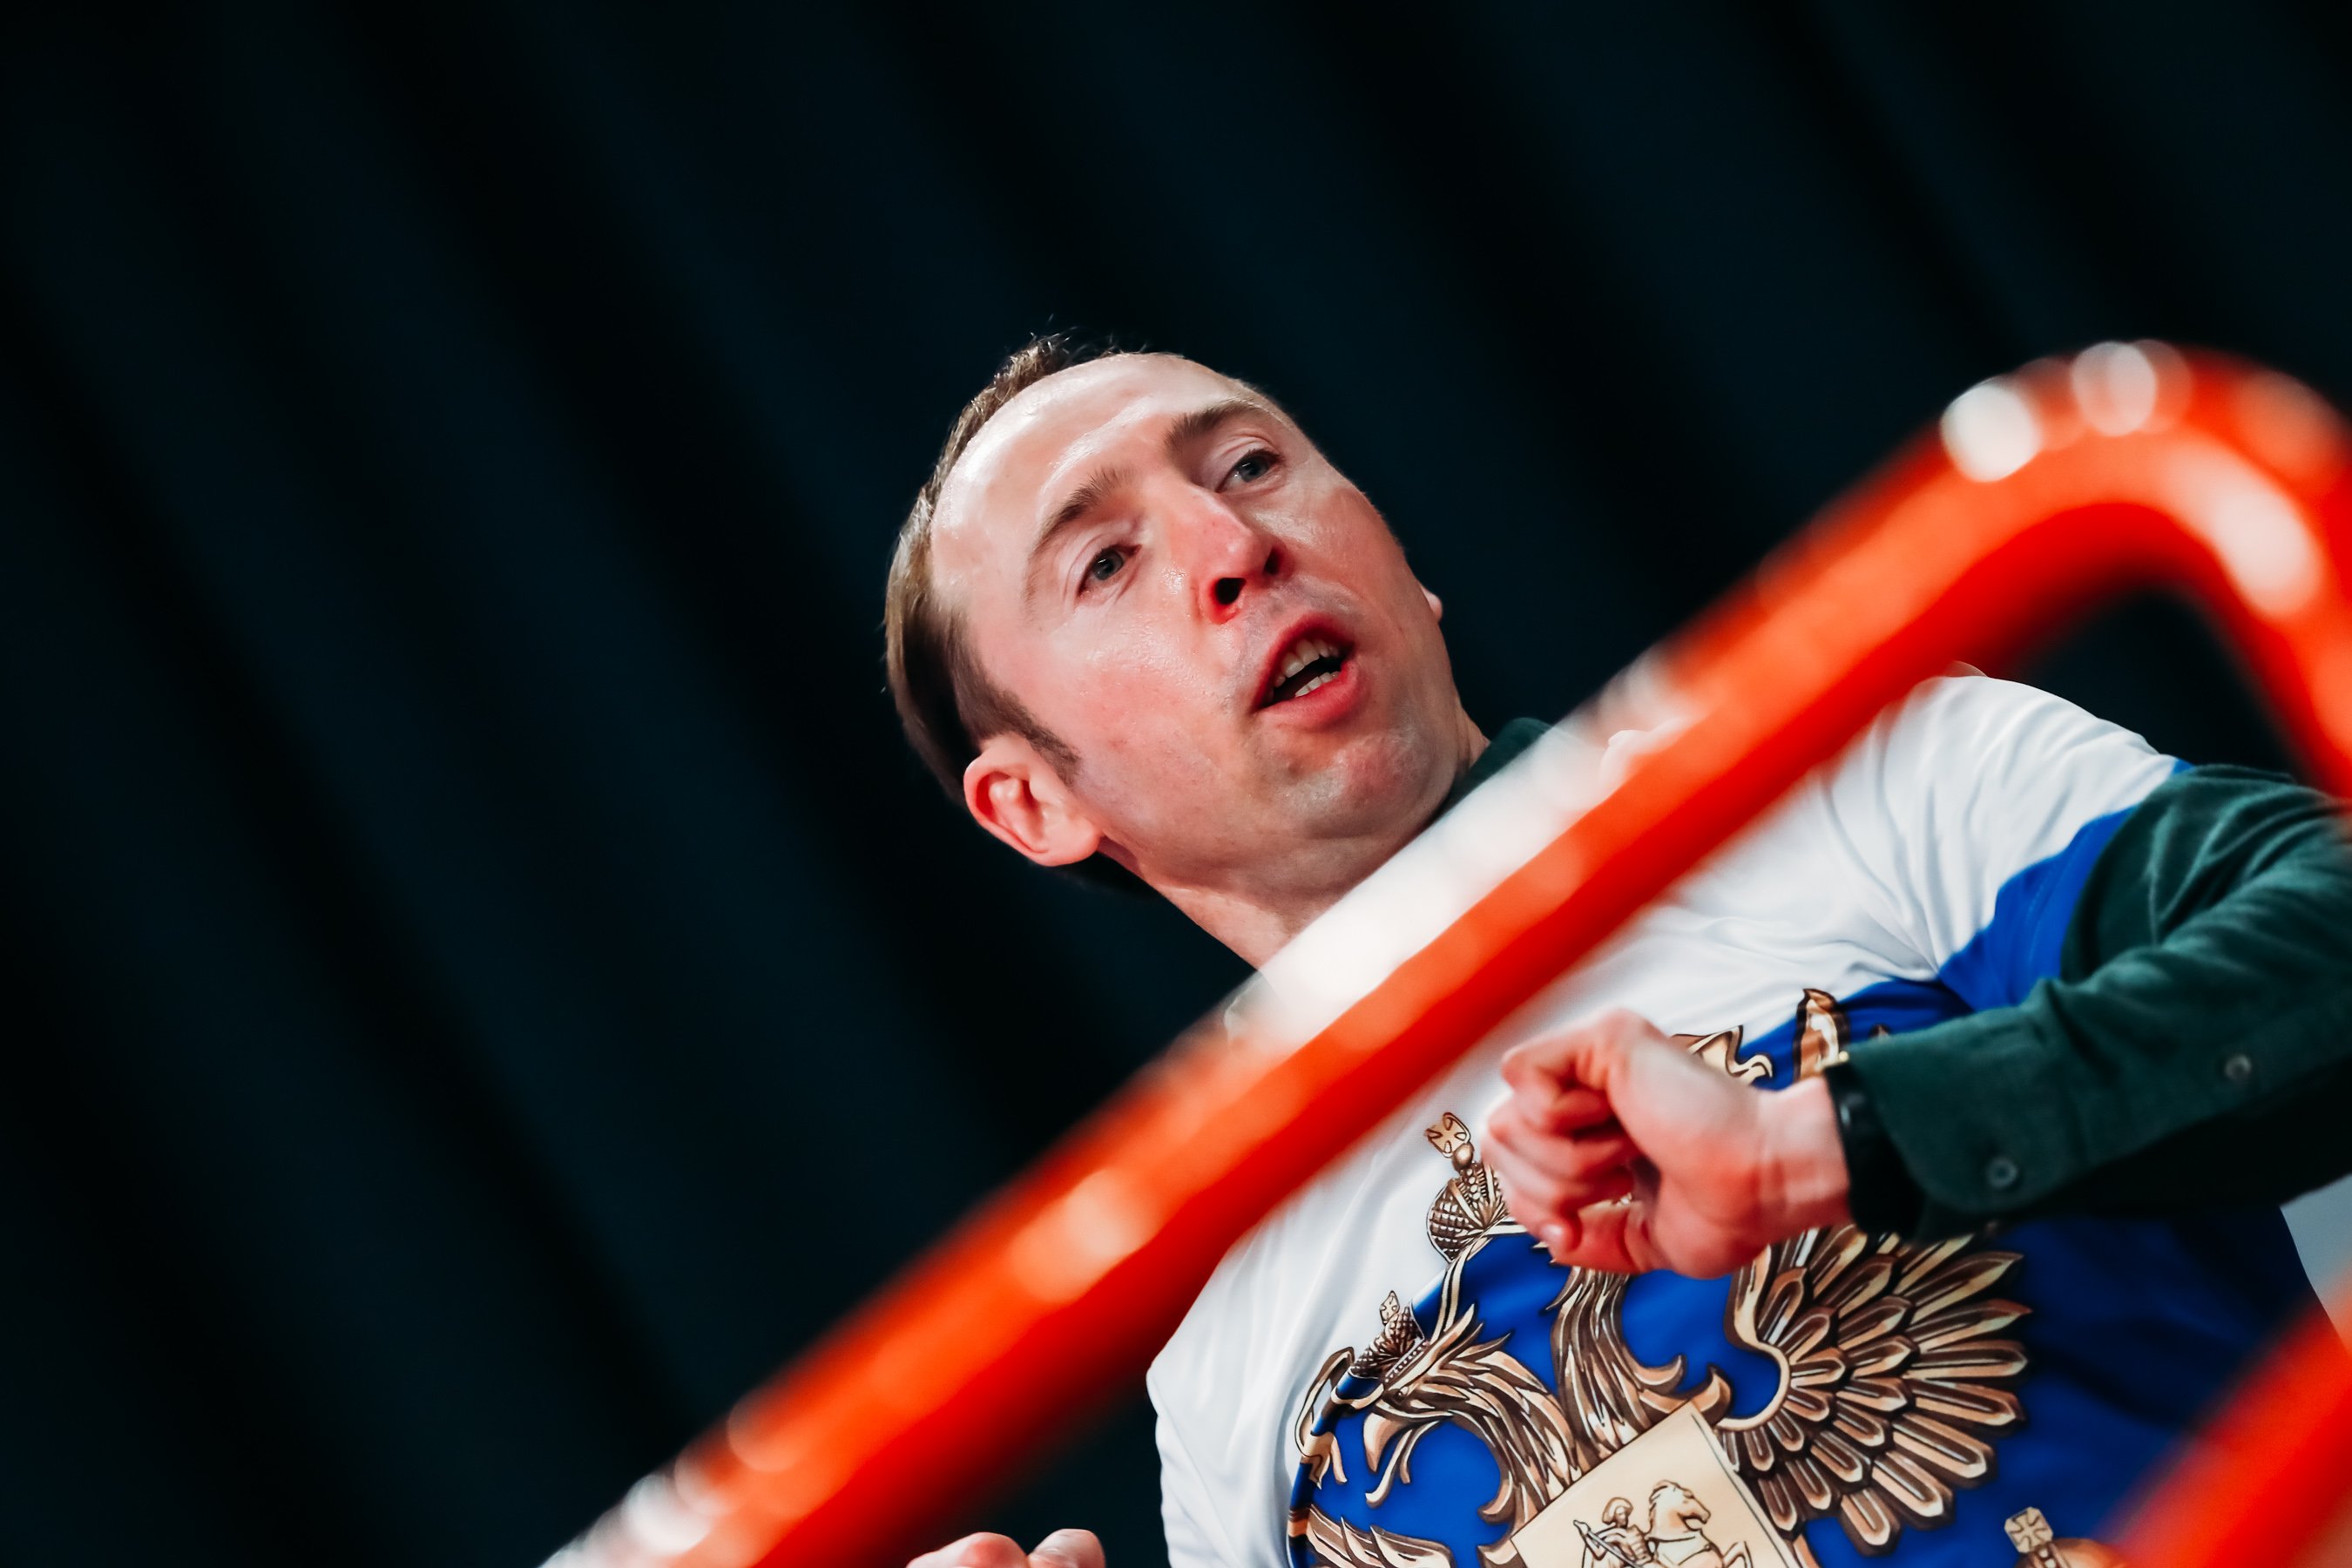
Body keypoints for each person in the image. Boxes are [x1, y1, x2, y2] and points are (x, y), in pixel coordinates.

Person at [891, 338, 2352, 1568]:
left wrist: (1830, 1144)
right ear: (1038, 805)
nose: (1235, 549)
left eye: (1250, 466)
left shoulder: (1851, 768)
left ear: (1401, 560)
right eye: (1105, 562)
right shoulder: (1218, 1367)